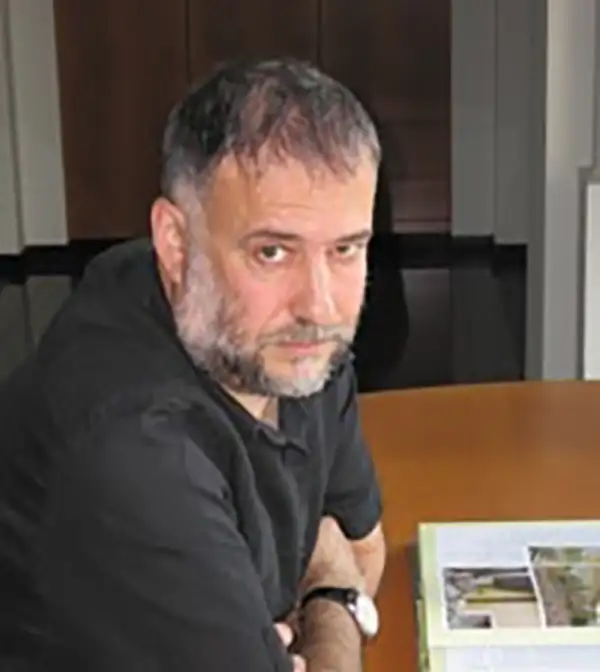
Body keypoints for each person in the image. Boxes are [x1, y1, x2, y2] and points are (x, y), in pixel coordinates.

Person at [0, 58, 386, 671]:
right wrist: (332, 595)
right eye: (272, 252)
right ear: (175, 244)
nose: (319, 306)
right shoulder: (135, 449)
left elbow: (363, 548)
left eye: (345, 249)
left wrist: (323, 595)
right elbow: (345, 567)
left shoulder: (287, 346)